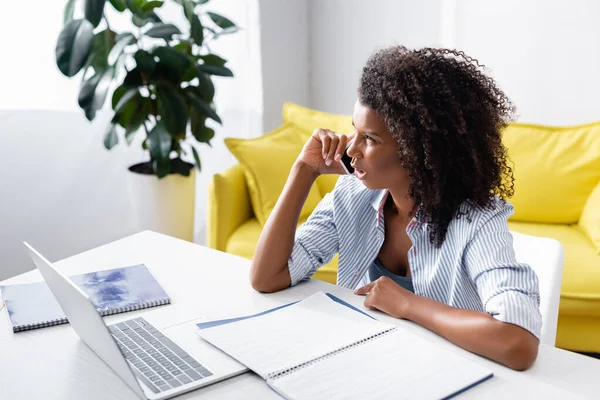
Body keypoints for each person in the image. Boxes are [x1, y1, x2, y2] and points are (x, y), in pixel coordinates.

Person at [249, 46, 541, 371]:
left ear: (419, 149)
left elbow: (518, 342)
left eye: (370, 139)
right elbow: (267, 277)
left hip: (448, 374)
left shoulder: (477, 221)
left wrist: (406, 303)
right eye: (354, 131)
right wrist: (304, 170)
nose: (351, 149)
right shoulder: (353, 195)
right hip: (369, 366)